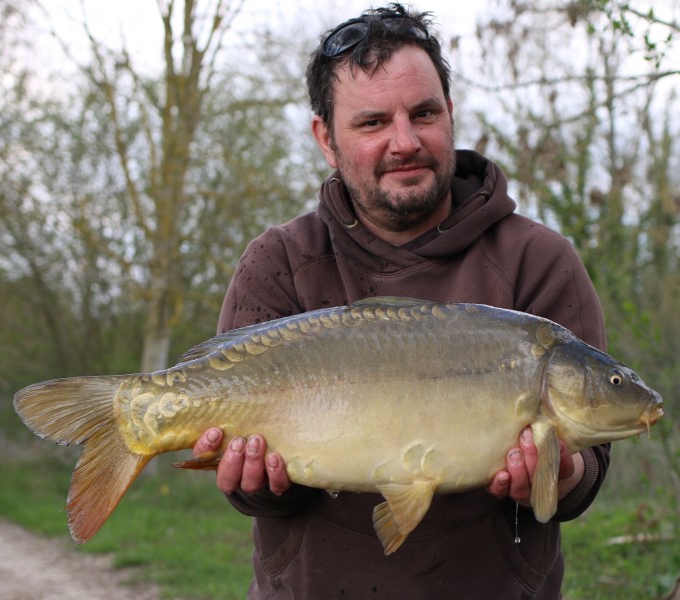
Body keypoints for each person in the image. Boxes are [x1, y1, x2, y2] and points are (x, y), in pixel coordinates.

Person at [192, 4, 609, 598]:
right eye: (372, 123)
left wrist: (562, 476)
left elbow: (589, 466)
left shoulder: (539, 261)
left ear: (451, 114)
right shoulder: (278, 262)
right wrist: (251, 480)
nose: (405, 141)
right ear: (326, 138)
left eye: (424, 113)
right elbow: (248, 490)